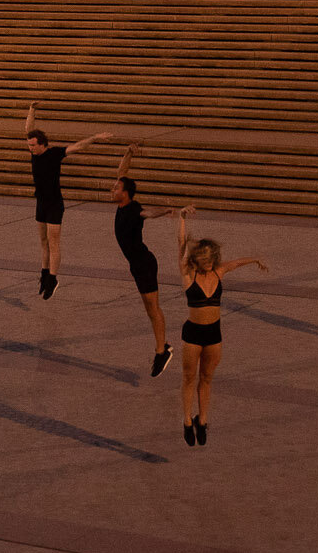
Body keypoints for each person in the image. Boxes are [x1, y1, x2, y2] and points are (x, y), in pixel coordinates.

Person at [172, 208, 266, 449]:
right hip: (193, 333)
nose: (211, 262)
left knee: (207, 378)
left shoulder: (218, 271)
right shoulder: (188, 274)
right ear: (198, 259)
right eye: (207, 258)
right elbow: (181, 245)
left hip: (214, 334)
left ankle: (202, 421)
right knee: (188, 378)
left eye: (213, 258)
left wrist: (254, 259)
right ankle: (185, 420)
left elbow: (234, 264)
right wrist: (181, 219)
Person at [20, 103, 113, 299]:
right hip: (41, 203)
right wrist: (31, 110)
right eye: (29, 145)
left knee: (54, 242)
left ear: (42, 144)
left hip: (55, 204)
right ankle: (44, 275)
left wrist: (95, 137)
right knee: (43, 241)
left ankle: (53, 279)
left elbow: (77, 146)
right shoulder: (33, 152)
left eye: (33, 145)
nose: (30, 148)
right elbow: (28, 128)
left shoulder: (54, 154)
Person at [105, 148, 179, 377]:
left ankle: (162, 351)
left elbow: (148, 213)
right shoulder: (122, 204)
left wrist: (165, 210)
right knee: (150, 308)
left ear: (126, 193)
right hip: (136, 265)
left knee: (153, 307)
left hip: (145, 263)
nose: (112, 189)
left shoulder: (134, 209)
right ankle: (162, 347)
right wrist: (128, 153)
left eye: (116, 188)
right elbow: (121, 171)